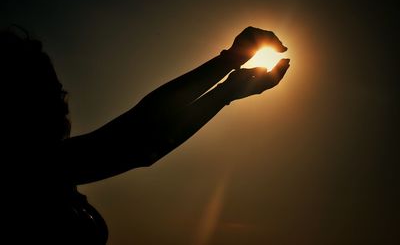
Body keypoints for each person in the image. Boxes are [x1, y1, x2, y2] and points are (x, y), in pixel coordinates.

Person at [1, 26, 290, 244]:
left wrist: (227, 80)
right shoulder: (28, 172)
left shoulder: (54, 177)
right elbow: (137, 136)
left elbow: (139, 137)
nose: (62, 102)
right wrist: (227, 73)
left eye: (59, 91)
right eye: (49, 93)